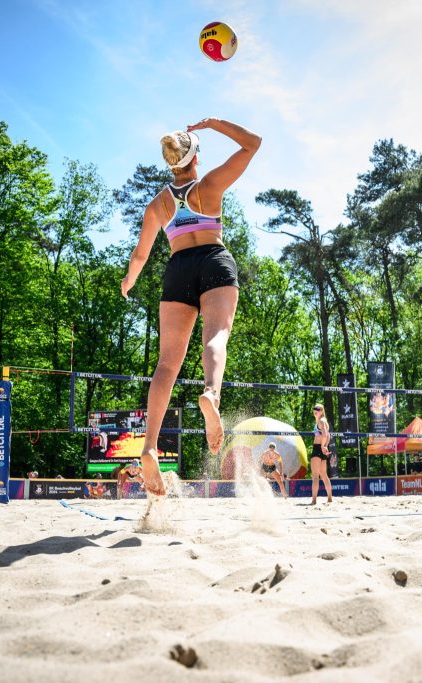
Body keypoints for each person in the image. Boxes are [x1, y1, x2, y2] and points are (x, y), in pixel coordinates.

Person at [120, 118, 261, 499]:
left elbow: (139, 254)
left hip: (178, 268)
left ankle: (149, 446)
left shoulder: (159, 204)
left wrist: (129, 281)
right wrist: (213, 124)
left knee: (167, 364)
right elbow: (252, 144)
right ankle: (211, 395)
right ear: (195, 157)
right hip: (213, 260)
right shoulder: (209, 187)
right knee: (216, 336)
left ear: (170, 163)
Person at [309, 404, 334, 504]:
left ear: (322, 411)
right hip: (322, 450)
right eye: (314, 408)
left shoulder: (321, 421)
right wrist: (325, 446)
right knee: (324, 475)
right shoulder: (323, 421)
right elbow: (328, 435)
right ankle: (329, 498)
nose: (316, 410)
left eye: (318, 409)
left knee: (315, 475)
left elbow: (324, 434)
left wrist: (323, 446)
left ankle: (314, 500)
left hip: (317, 449)